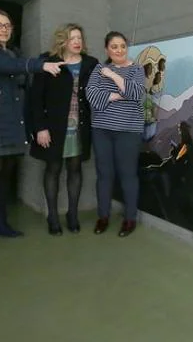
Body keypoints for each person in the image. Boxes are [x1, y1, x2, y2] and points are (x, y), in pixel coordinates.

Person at [0, 9, 64, 246]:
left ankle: (0, 222)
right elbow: (8, 67)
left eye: (7, 25)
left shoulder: (13, 54)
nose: (4, 28)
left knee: (5, 176)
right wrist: (40, 65)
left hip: (13, 123)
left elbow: (21, 86)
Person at [29, 24, 98, 235]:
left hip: (80, 128)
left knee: (75, 169)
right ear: (63, 41)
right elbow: (35, 99)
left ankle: (72, 214)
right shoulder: (48, 62)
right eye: (72, 38)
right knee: (53, 169)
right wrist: (40, 128)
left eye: (80, 38)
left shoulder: (91, 64)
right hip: (54, 128)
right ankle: (52, 216)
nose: (77, 42)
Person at [86, 31, 145, 237]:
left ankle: (130, 219)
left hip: (128, 131)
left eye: (122, 46)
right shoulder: (98, 68)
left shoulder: (137, 69)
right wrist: (116, 95)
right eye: (114, 47)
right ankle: (103, 217)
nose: (119, 50)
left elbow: (137, 94)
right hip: (101, 130)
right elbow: (91, 94)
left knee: (128, 175)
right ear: (106, 50)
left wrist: (112, 76)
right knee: (104, 175)